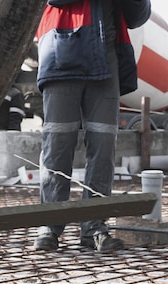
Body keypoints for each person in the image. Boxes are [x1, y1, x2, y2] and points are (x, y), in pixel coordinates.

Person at [33, 0, 151, 252]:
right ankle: (49, 226)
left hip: (105, 59)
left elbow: (137, 17)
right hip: (61, 50)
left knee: (103, 145)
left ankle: (94, 226)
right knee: (57, 143)